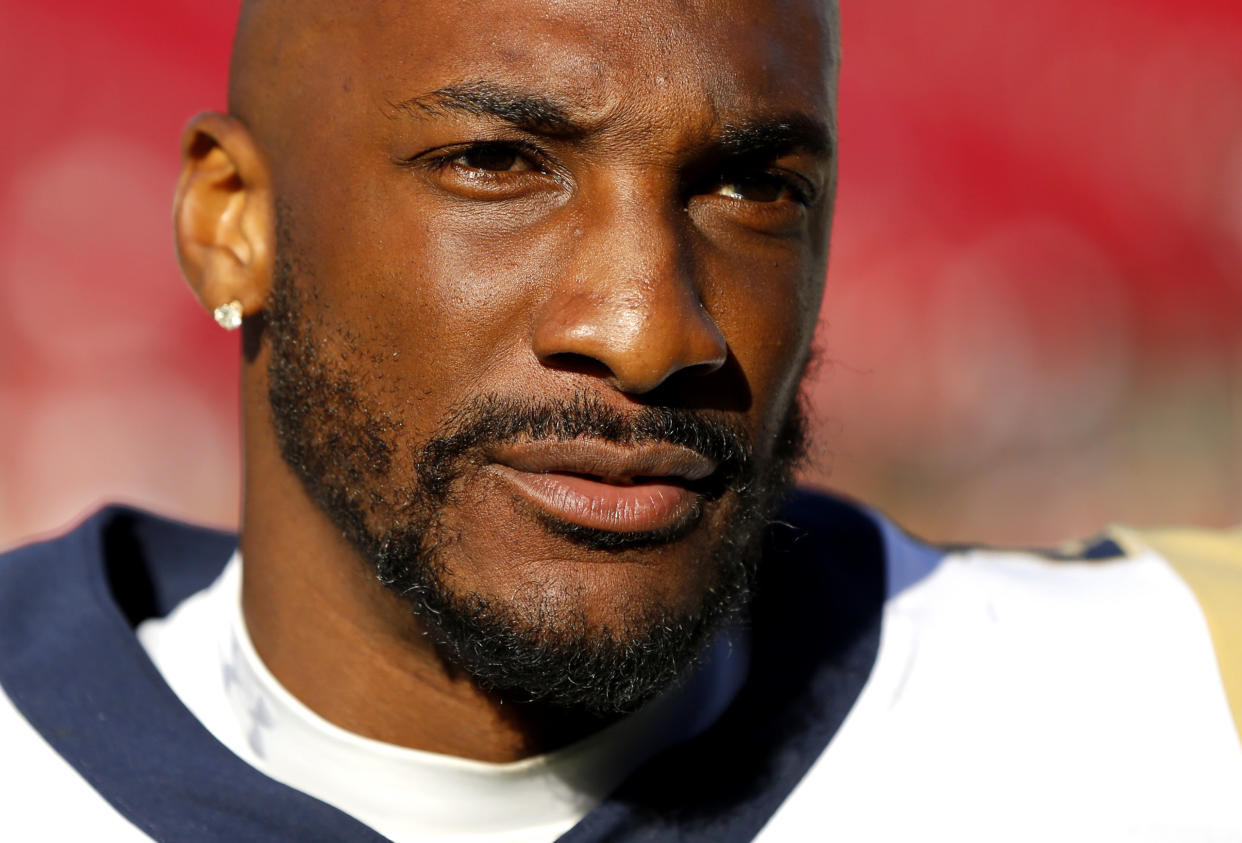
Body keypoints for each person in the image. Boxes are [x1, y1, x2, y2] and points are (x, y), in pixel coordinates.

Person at [0, 0, 1239, 839]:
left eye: (753, 186)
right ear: (233, 222)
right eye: (495, 162)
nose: (648, 333)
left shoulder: (1181, 701)